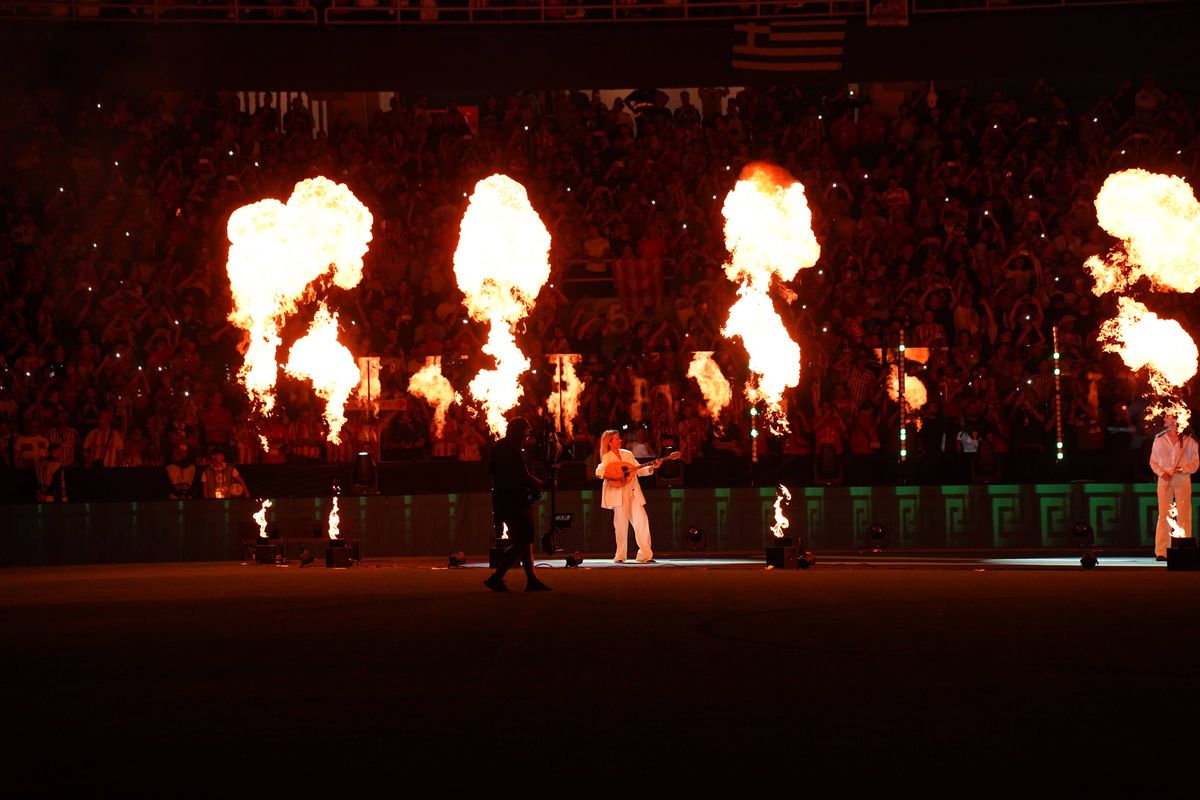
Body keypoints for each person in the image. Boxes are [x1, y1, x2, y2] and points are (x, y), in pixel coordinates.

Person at [484, 417, 550, 592]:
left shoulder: (498, 447)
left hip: (503, 500)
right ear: (518, 433)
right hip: (513, 501)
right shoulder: (512, 450)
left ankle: (531, 579)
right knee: (522, 540)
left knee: (524, 538)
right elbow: (522, 476)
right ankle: (497, 577)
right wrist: (541, 483)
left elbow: (493, 472)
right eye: (525, 434)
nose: (526, 438)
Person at [595, 428, 662, 563]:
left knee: (642, 521)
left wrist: (652, 467)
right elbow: (599, 471)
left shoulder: (627, 454)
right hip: (618, 494)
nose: (620, 440)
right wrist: (615, 476)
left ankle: (645, 554)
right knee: (621, 524)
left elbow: (638, 469)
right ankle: (620, 556)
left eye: (619, 438)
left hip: (633, 492)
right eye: (617, 439)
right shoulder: (607, 457)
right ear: (609, 442)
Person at [1149, 413, 1199, 561]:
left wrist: (1182, 469)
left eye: (1167, 417)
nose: (1164, 419)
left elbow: (1195, 463)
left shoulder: (1190, 441)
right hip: (1164, 480)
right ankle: (1162, 551)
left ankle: (1184, 548)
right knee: (1164, 514)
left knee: (1184, 514)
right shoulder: (1159, 440)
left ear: (1176, 420)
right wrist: (1161, 473)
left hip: (1182, 480)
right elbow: (1153, 462)